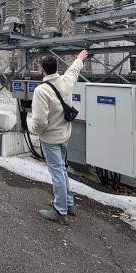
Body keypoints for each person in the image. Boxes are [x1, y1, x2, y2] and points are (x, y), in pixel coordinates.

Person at [32, 50, 87, 224]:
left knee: (57, 173)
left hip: (50, 139)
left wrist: (37, 131)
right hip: (64, 136)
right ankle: (68, 203)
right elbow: (73, 71)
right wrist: (79, 59)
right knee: (62, 169)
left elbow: (39, 121)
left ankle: (60, 211)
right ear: (57, 68)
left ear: (42, 69)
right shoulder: (65, 82)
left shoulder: (41, 91)